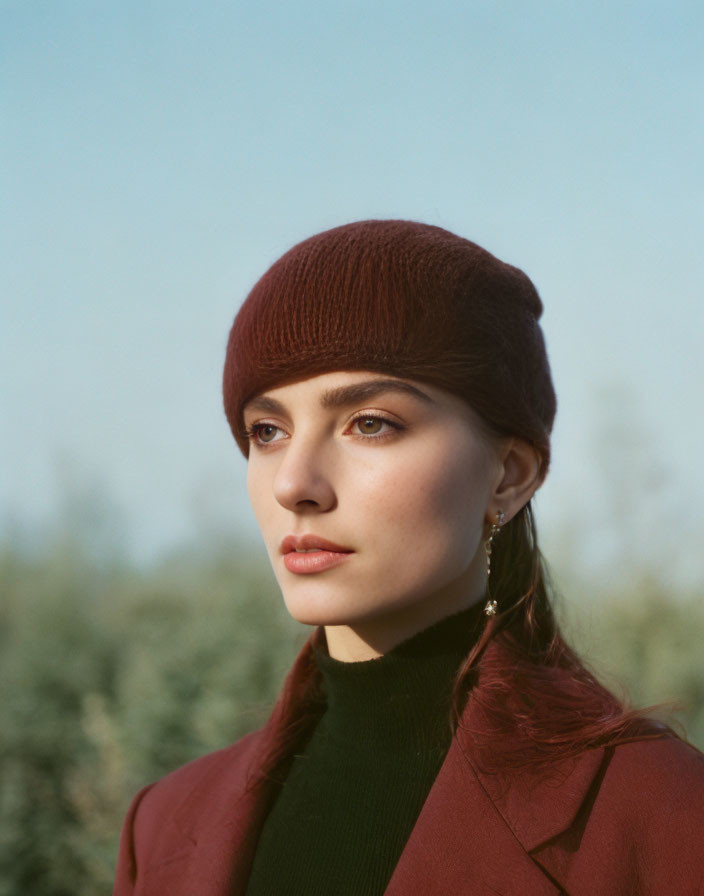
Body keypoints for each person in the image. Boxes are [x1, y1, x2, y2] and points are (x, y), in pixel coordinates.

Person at [113, 220, 704, 896]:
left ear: (508, 476)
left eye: (370, 423)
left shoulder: (664, 820)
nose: (293, 484)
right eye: (267, 431)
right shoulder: (160, 829)